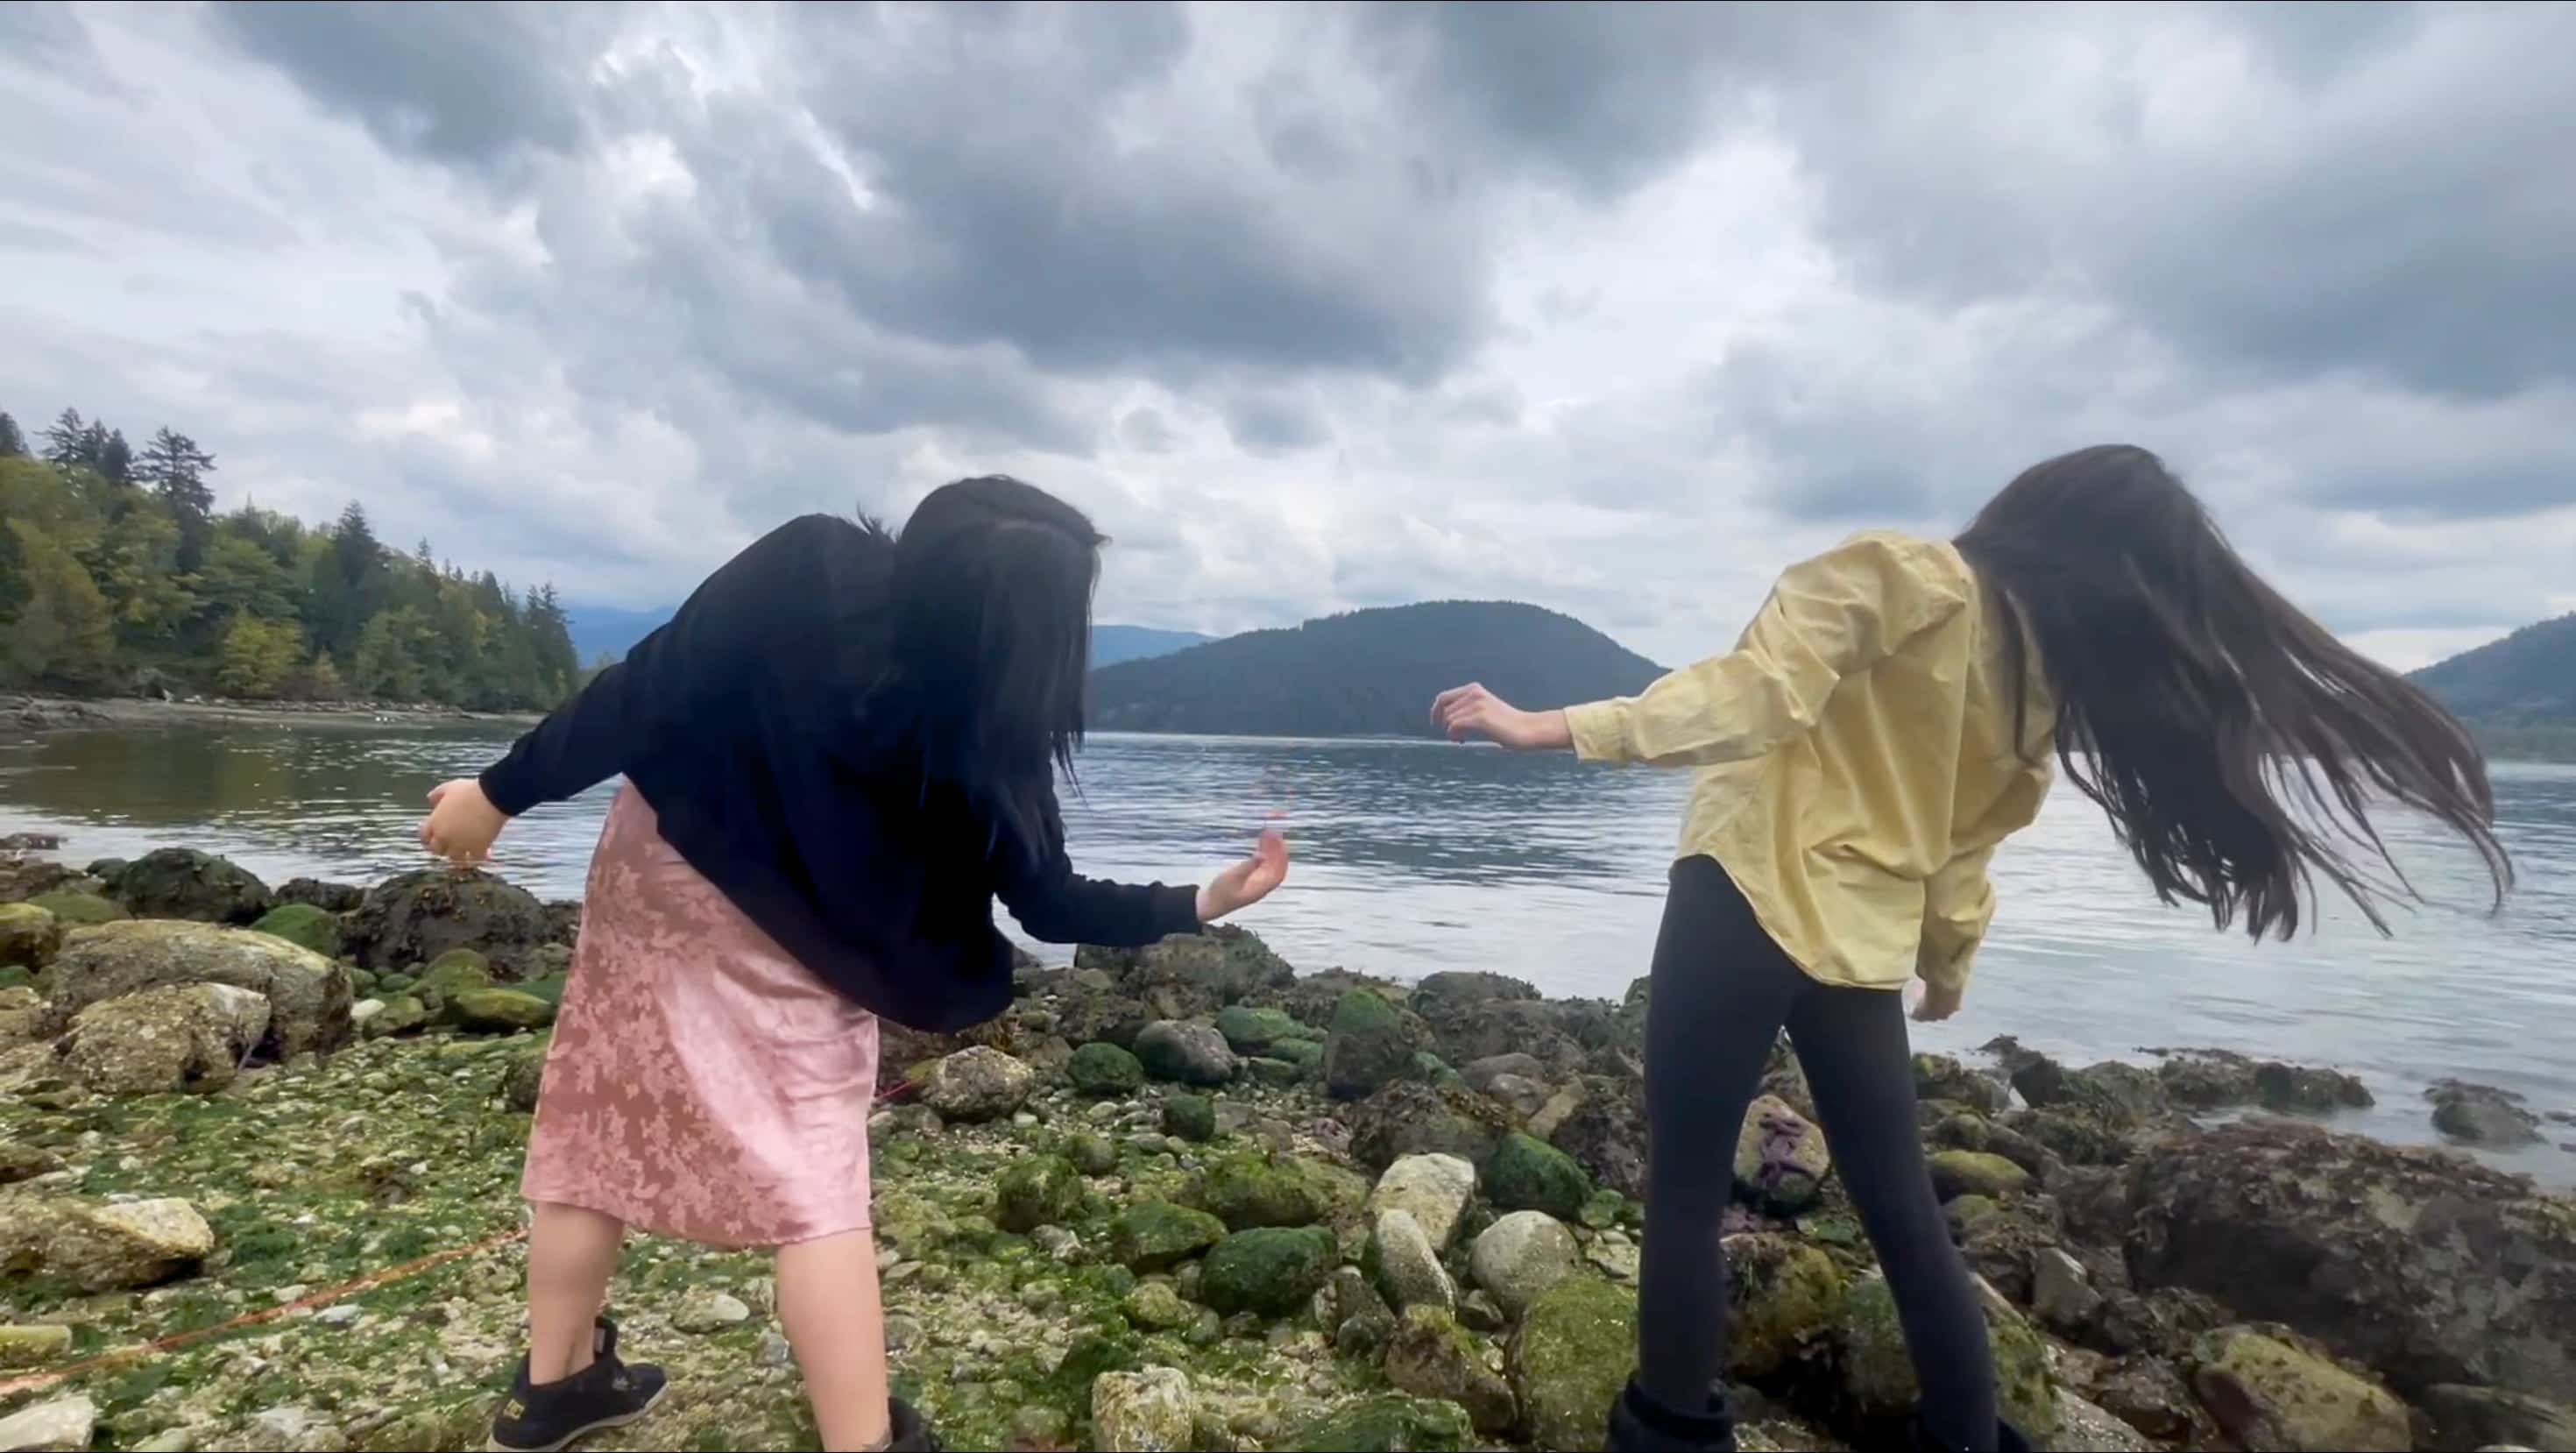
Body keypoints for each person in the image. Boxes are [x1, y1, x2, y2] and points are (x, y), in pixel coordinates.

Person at [1431, 444, 2512, 1453]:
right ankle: (1962, 1434)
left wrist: (1554, 725)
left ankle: (1672, 1429)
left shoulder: (1901, 575)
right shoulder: (2030, 697)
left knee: (1683, 1188)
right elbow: (1961, 848)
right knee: (1905, 1213)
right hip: (1860, 946)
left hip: (1744, 891)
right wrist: (1946, 966)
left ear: (2035, 510)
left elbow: (1758, 695)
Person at [419, 478, 1290, 1453]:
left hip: (659, 877)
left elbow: (643, 690)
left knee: (595, 1118)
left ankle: (553, 1390)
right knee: (814, 1190)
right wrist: (1202, 900)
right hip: (807, 951)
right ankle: (862, 1440)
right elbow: (1048, 902)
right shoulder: (988, 734)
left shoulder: (810, 563)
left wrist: (498, 793)